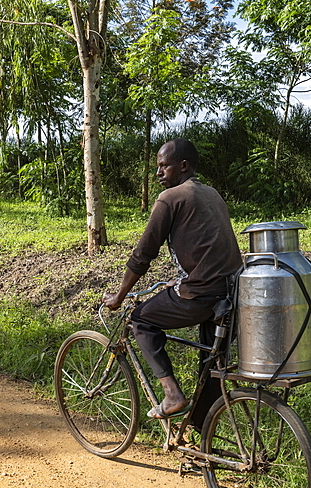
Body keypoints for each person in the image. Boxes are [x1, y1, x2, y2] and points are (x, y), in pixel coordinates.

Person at [102, 138, 242, 427]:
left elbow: (143, 254)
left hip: (201, 295)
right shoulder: (212, 193)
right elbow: (207, 246)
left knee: (141, 320)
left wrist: (119, 295)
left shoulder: (171, 198)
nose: (158, 173)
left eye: (164, 166)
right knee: (211, 369)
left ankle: (172, 395)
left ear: (184, 166)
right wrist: (182, 279)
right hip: (232, 293)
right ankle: (204, 446)